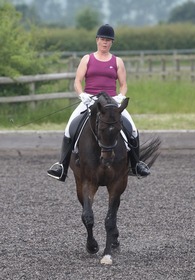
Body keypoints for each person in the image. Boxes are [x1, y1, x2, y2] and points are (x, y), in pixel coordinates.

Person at [47, 24, 150, 182]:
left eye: (108, 40)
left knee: (133, 130)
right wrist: (82, 95)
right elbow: (77, 81)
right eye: (102, 39)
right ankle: (61, 165)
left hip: (111, 102)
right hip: (90, 99)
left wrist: (120, 97)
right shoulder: (87, 59)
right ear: (97, 40)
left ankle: (137, 164)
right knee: (69, 128)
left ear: (112, 43)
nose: (105, 42)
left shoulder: (117, 61)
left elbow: (123, 84)